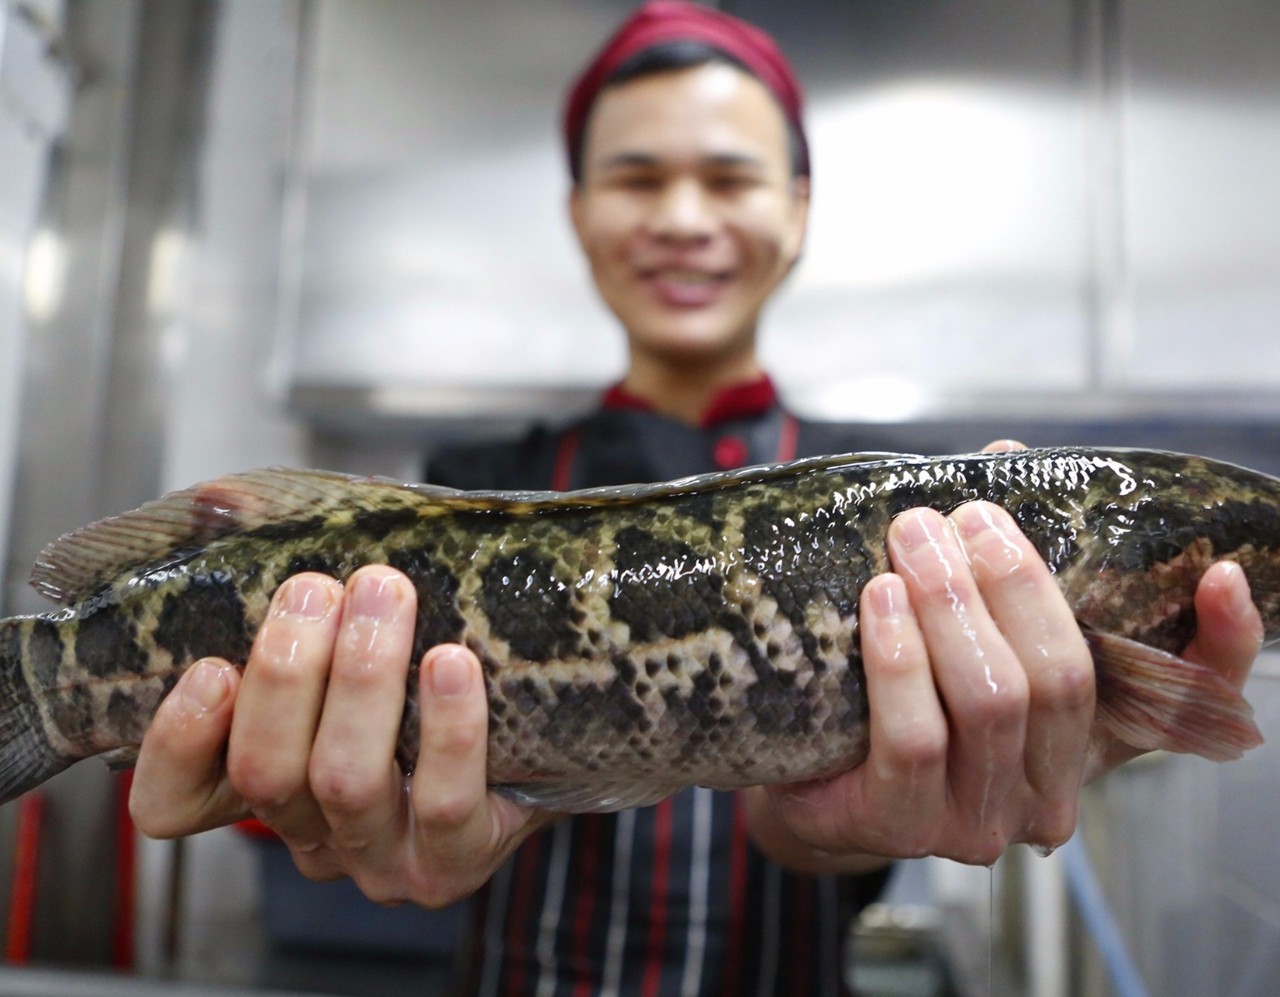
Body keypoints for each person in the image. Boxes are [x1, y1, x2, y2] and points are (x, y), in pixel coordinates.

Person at [129, 3, 1264, 994]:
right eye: (635, 177)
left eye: (727, 178)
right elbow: (382, 782)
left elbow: (826, 818)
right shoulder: (467, 477)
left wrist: (857, 819)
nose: (681, 215)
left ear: (798, 207)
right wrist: (356, 830)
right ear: (577, 214)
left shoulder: (911, 505)